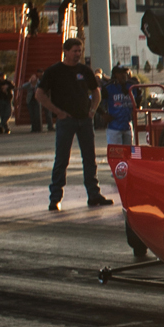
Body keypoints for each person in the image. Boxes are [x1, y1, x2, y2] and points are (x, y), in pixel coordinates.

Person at [35, 38, 112, 211]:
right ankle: (55, 198)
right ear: (66, 51)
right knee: (62, 159)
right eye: (75, 51)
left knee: (89, 159)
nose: (78, 54)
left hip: (84, 120)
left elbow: (96, 91)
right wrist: (57, 112)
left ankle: (93, 194)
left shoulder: (84, 71)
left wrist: (92, 110)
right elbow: (39, 94)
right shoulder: (54, 71)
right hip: (66, 121)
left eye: (80, 51)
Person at [102, 66, 138, 146]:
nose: (123, 75)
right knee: (116, 154)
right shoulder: (108, 88)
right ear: (115, 75)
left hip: (128, 125)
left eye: (125, 73)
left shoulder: (132, 87)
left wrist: (136, 109)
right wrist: (103, 114)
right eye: (120, 73)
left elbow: (139, 98)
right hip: (114, 127)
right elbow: (95, 101)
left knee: (128, 154)